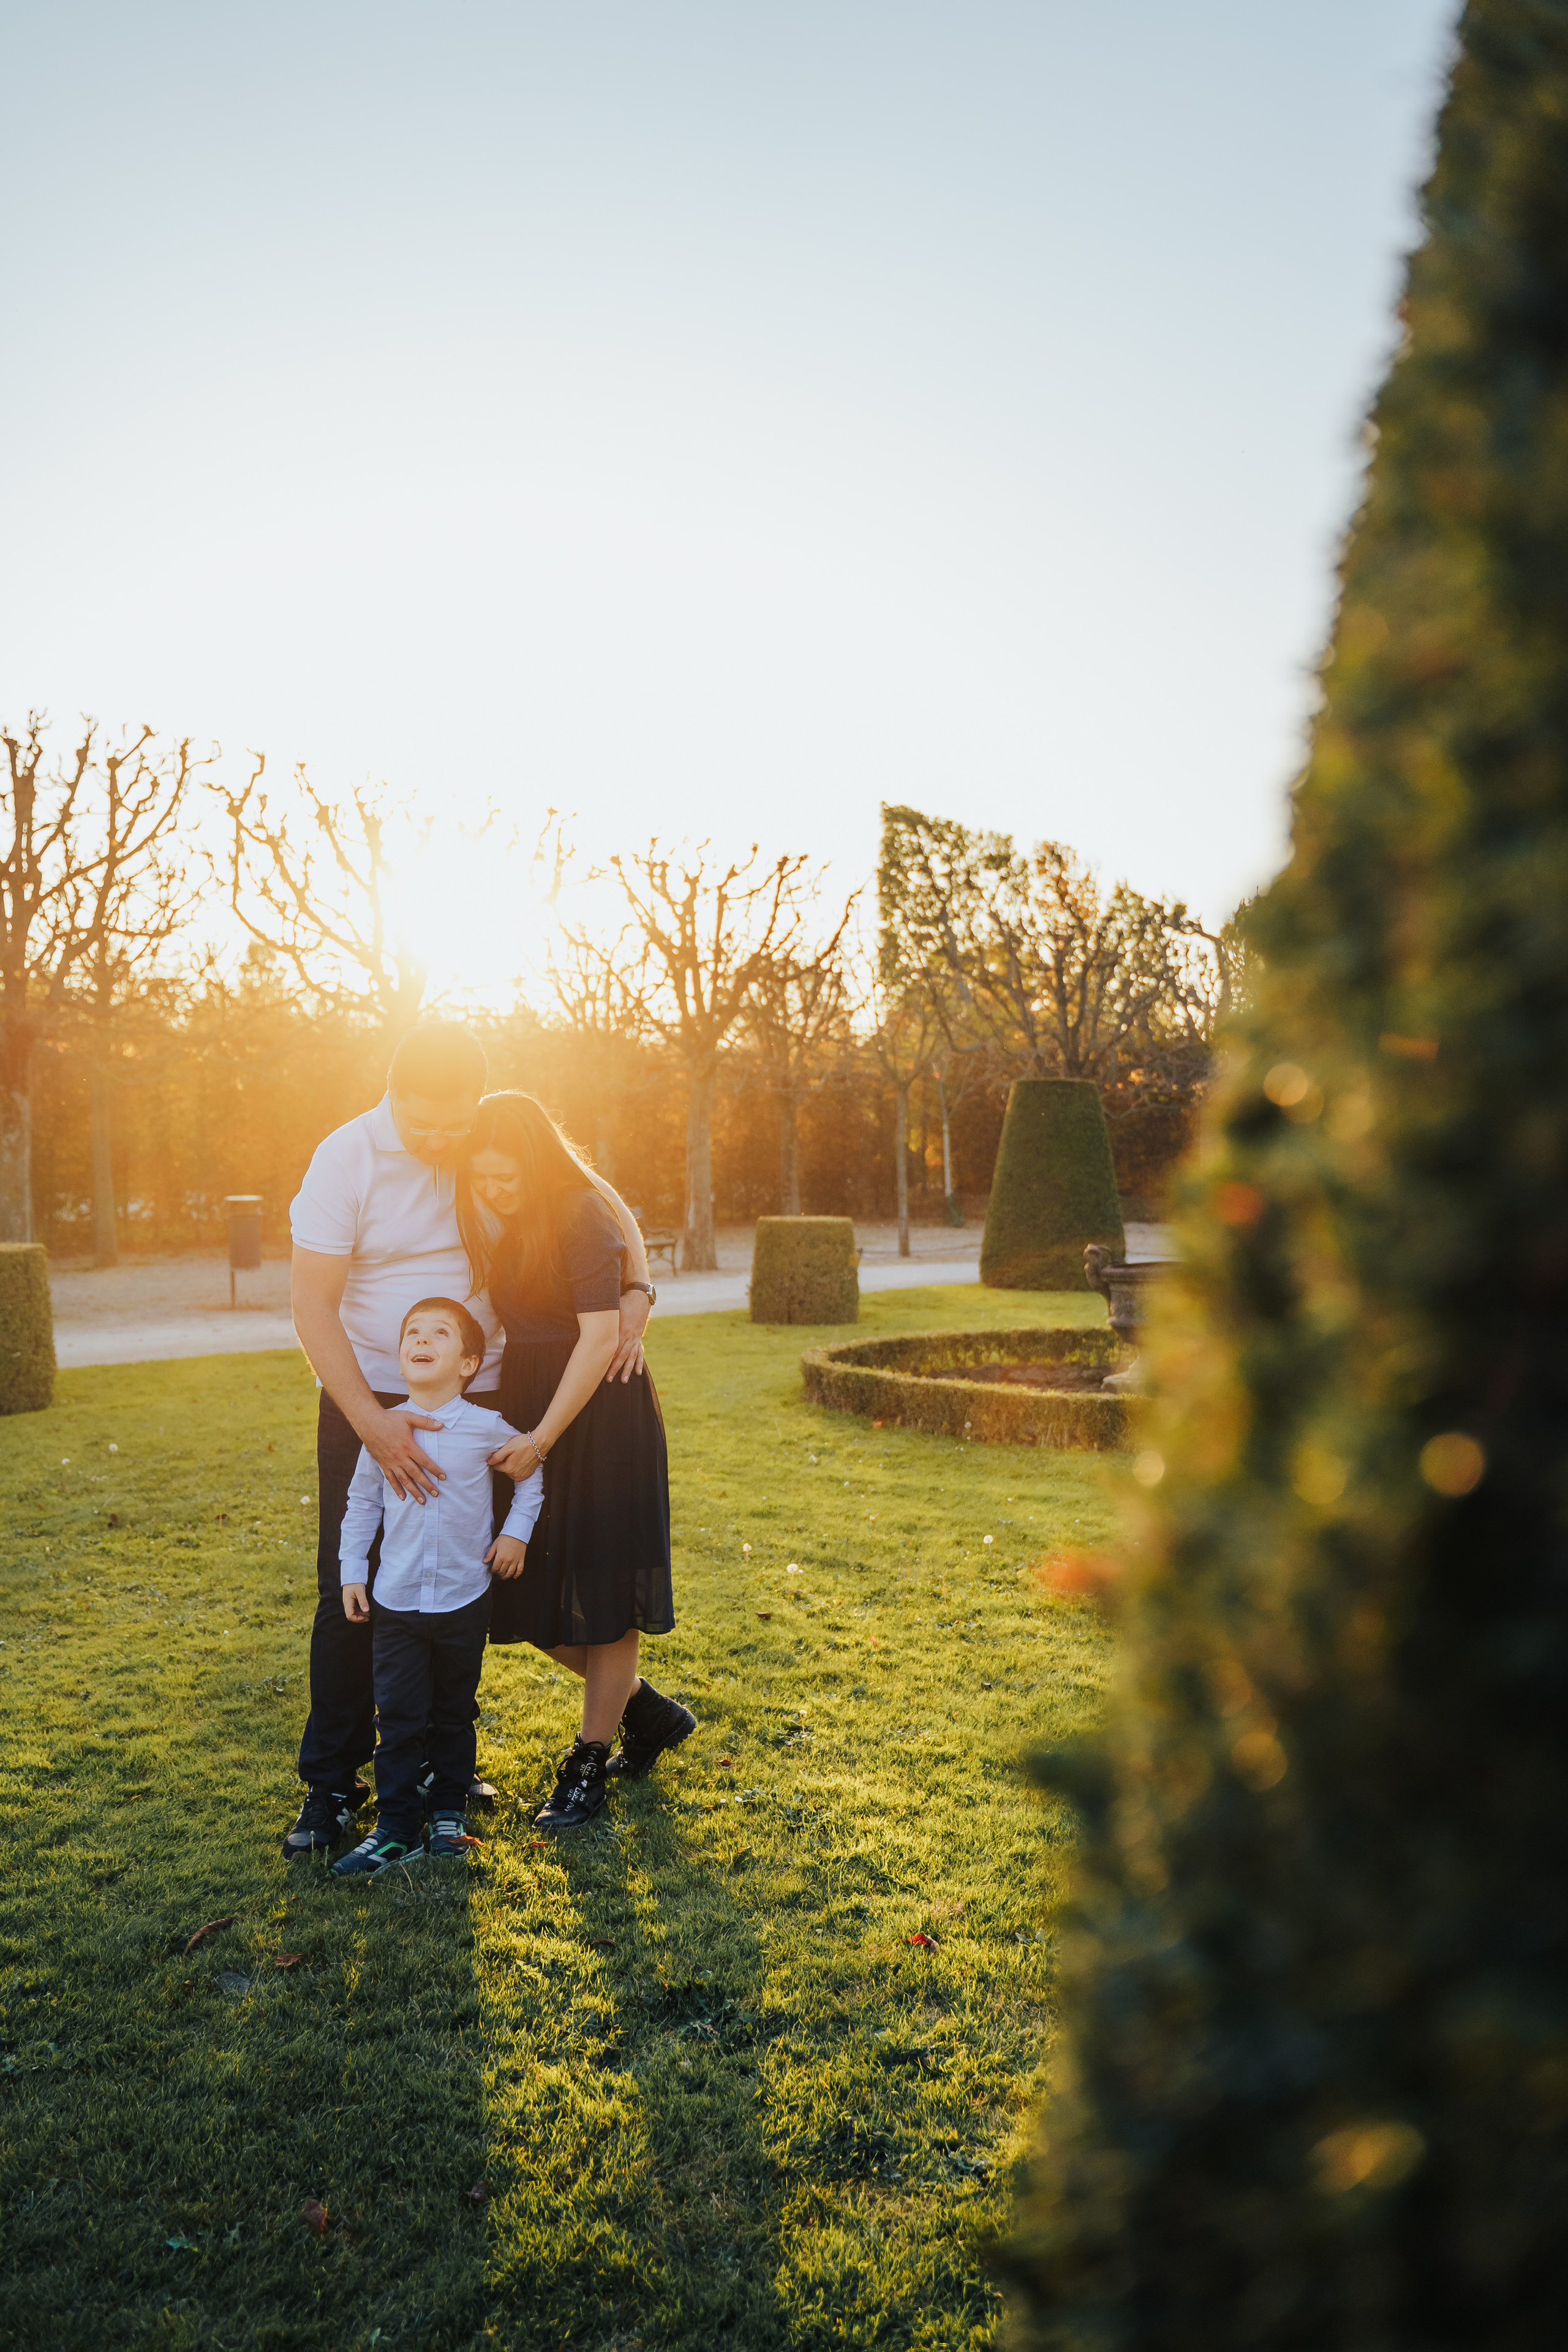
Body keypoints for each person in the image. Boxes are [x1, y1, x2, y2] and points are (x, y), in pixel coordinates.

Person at [282, 1021, 653, 1861]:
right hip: (371, 1393)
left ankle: (448, 1765)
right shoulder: (347, 1158)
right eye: (426, 1126)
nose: (444, 1142)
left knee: (459, 1583)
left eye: (456, 1124)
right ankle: (332, 1784)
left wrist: (637, 1286)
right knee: (356, 1589)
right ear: (393, 1094)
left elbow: (597, 1193)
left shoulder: (485, 1133)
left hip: (481, 1396)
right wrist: (372, 1425)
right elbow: (311, 1307)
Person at [456, 1091, 695, 1833]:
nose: (493, 1191)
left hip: (598, 1414)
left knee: (604, 1589)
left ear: (534, 1160)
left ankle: (588, 1763)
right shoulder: (520, 1217)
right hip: (536, 1401)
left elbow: (596, 1339)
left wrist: (540, 1442)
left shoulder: (578, 1212)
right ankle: (645, 1710)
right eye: (482, 1179)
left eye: (505, 1176)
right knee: (520, 1590)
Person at [331, 1297, 543, 1881]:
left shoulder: (484, 1428)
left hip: (463, 1600)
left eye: (440, 1333)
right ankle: (396, 1828)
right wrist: (353, 1571)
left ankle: (447, 1815)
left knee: (454, 1713)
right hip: (396, 1603)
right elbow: (361, 1503)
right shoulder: (381, 1428)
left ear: (469, 1363)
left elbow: (530, 1477)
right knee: (396, 1719)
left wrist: (514, 1537)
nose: (421, 1340)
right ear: (400, 1356)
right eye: (412, 1333)